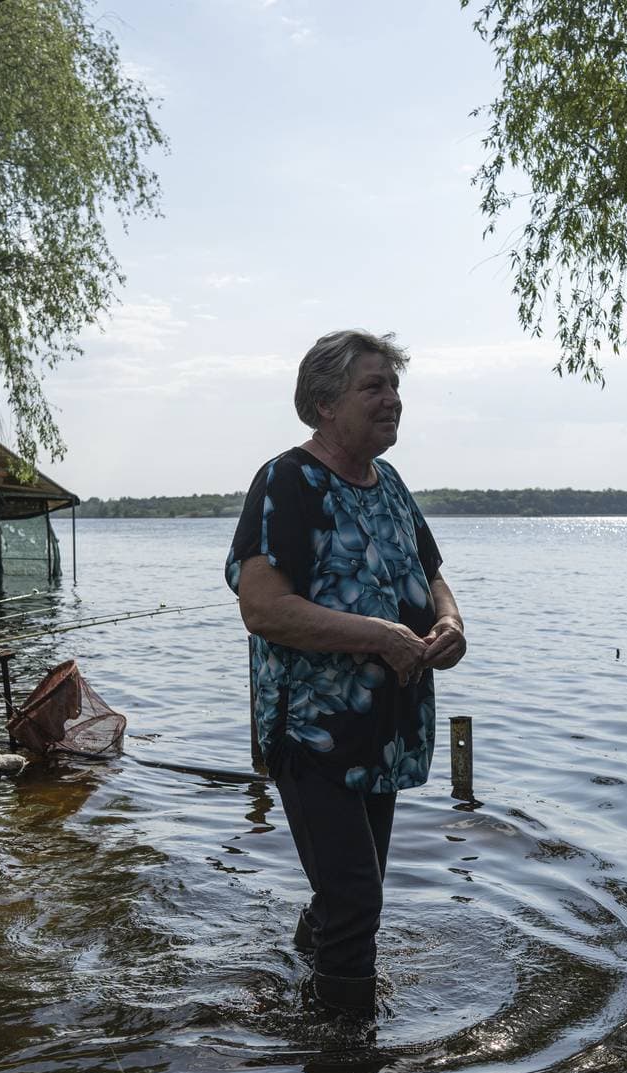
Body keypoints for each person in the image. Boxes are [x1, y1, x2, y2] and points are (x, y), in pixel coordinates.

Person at [225, 329, 466, 1015]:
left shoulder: (389, 484)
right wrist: (381, 637)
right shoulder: (287, 482)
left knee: (354, 892)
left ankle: (302, 975)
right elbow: (263, 608)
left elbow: (433, 574)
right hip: (312, 735)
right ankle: (345, 1060)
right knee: (359, 898)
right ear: (325, 404)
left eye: (394, 387)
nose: (392, 400)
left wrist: (449, 624)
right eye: (374, 387)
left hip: (381, 734)